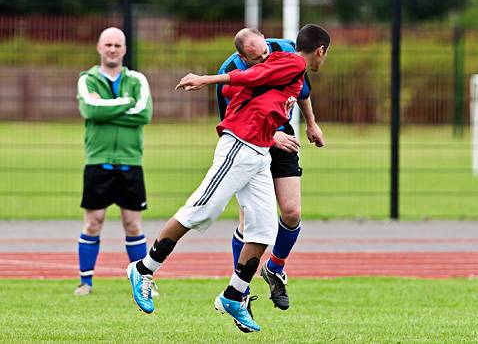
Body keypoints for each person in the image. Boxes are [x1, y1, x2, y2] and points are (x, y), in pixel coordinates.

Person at [126, 25, 330, 333]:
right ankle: (143, 269)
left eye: (264, 53)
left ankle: (234, 295)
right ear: (320, 51)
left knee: (263, 229)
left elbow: (260, 86)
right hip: (240, 145)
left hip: (260, 151)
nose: (261, 59)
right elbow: (248, 80)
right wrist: (205, 79)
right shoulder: (294, 62)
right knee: (200, 210)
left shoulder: (285, 60)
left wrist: (302, 123)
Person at [216, 28, 324, 323]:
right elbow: (234, 121)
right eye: (256, 58)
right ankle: (241, 290)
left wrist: (311, 124)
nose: (264, 60)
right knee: (248, 222)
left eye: (266, 53)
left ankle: (274, 267)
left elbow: (300, 89)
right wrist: (272, 135)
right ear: (242, 57)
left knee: (291, 212)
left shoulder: (288, 52)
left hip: (282, 138)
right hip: (250, 143)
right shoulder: (229, 73)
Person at [74, 27, 153, 296]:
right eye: (107, 44)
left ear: (124, 49)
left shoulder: (137, 80)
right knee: (93, 221)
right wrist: (125, 104)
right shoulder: (87, 79)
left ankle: (141, 283)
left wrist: (107, 108)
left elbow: (143, 113)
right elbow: (90, 109)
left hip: (131, 160)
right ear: (98, 47)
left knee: (133, 224)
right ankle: (86, 282)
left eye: (117, 45)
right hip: (98, 160)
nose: (112, 49)